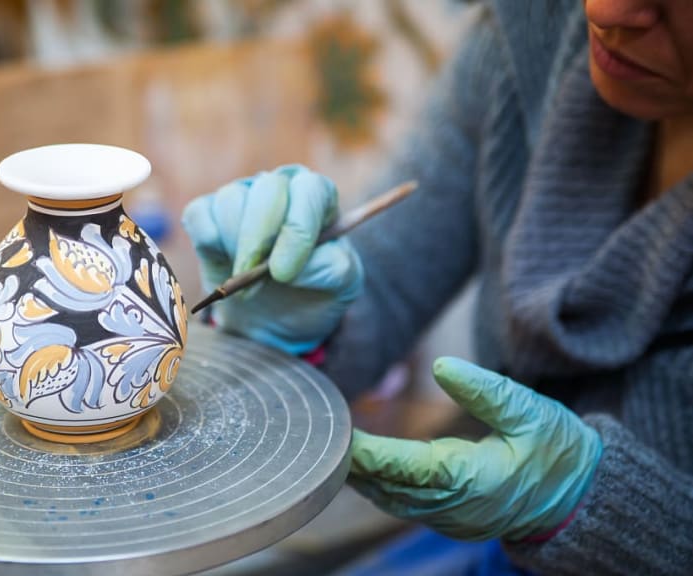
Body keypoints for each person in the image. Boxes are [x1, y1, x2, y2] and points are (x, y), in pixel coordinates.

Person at [181, 0, 693, 574]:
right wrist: (298, 329)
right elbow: (388, 278)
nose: (607, 9)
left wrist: (595, 506)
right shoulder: (538, 34)